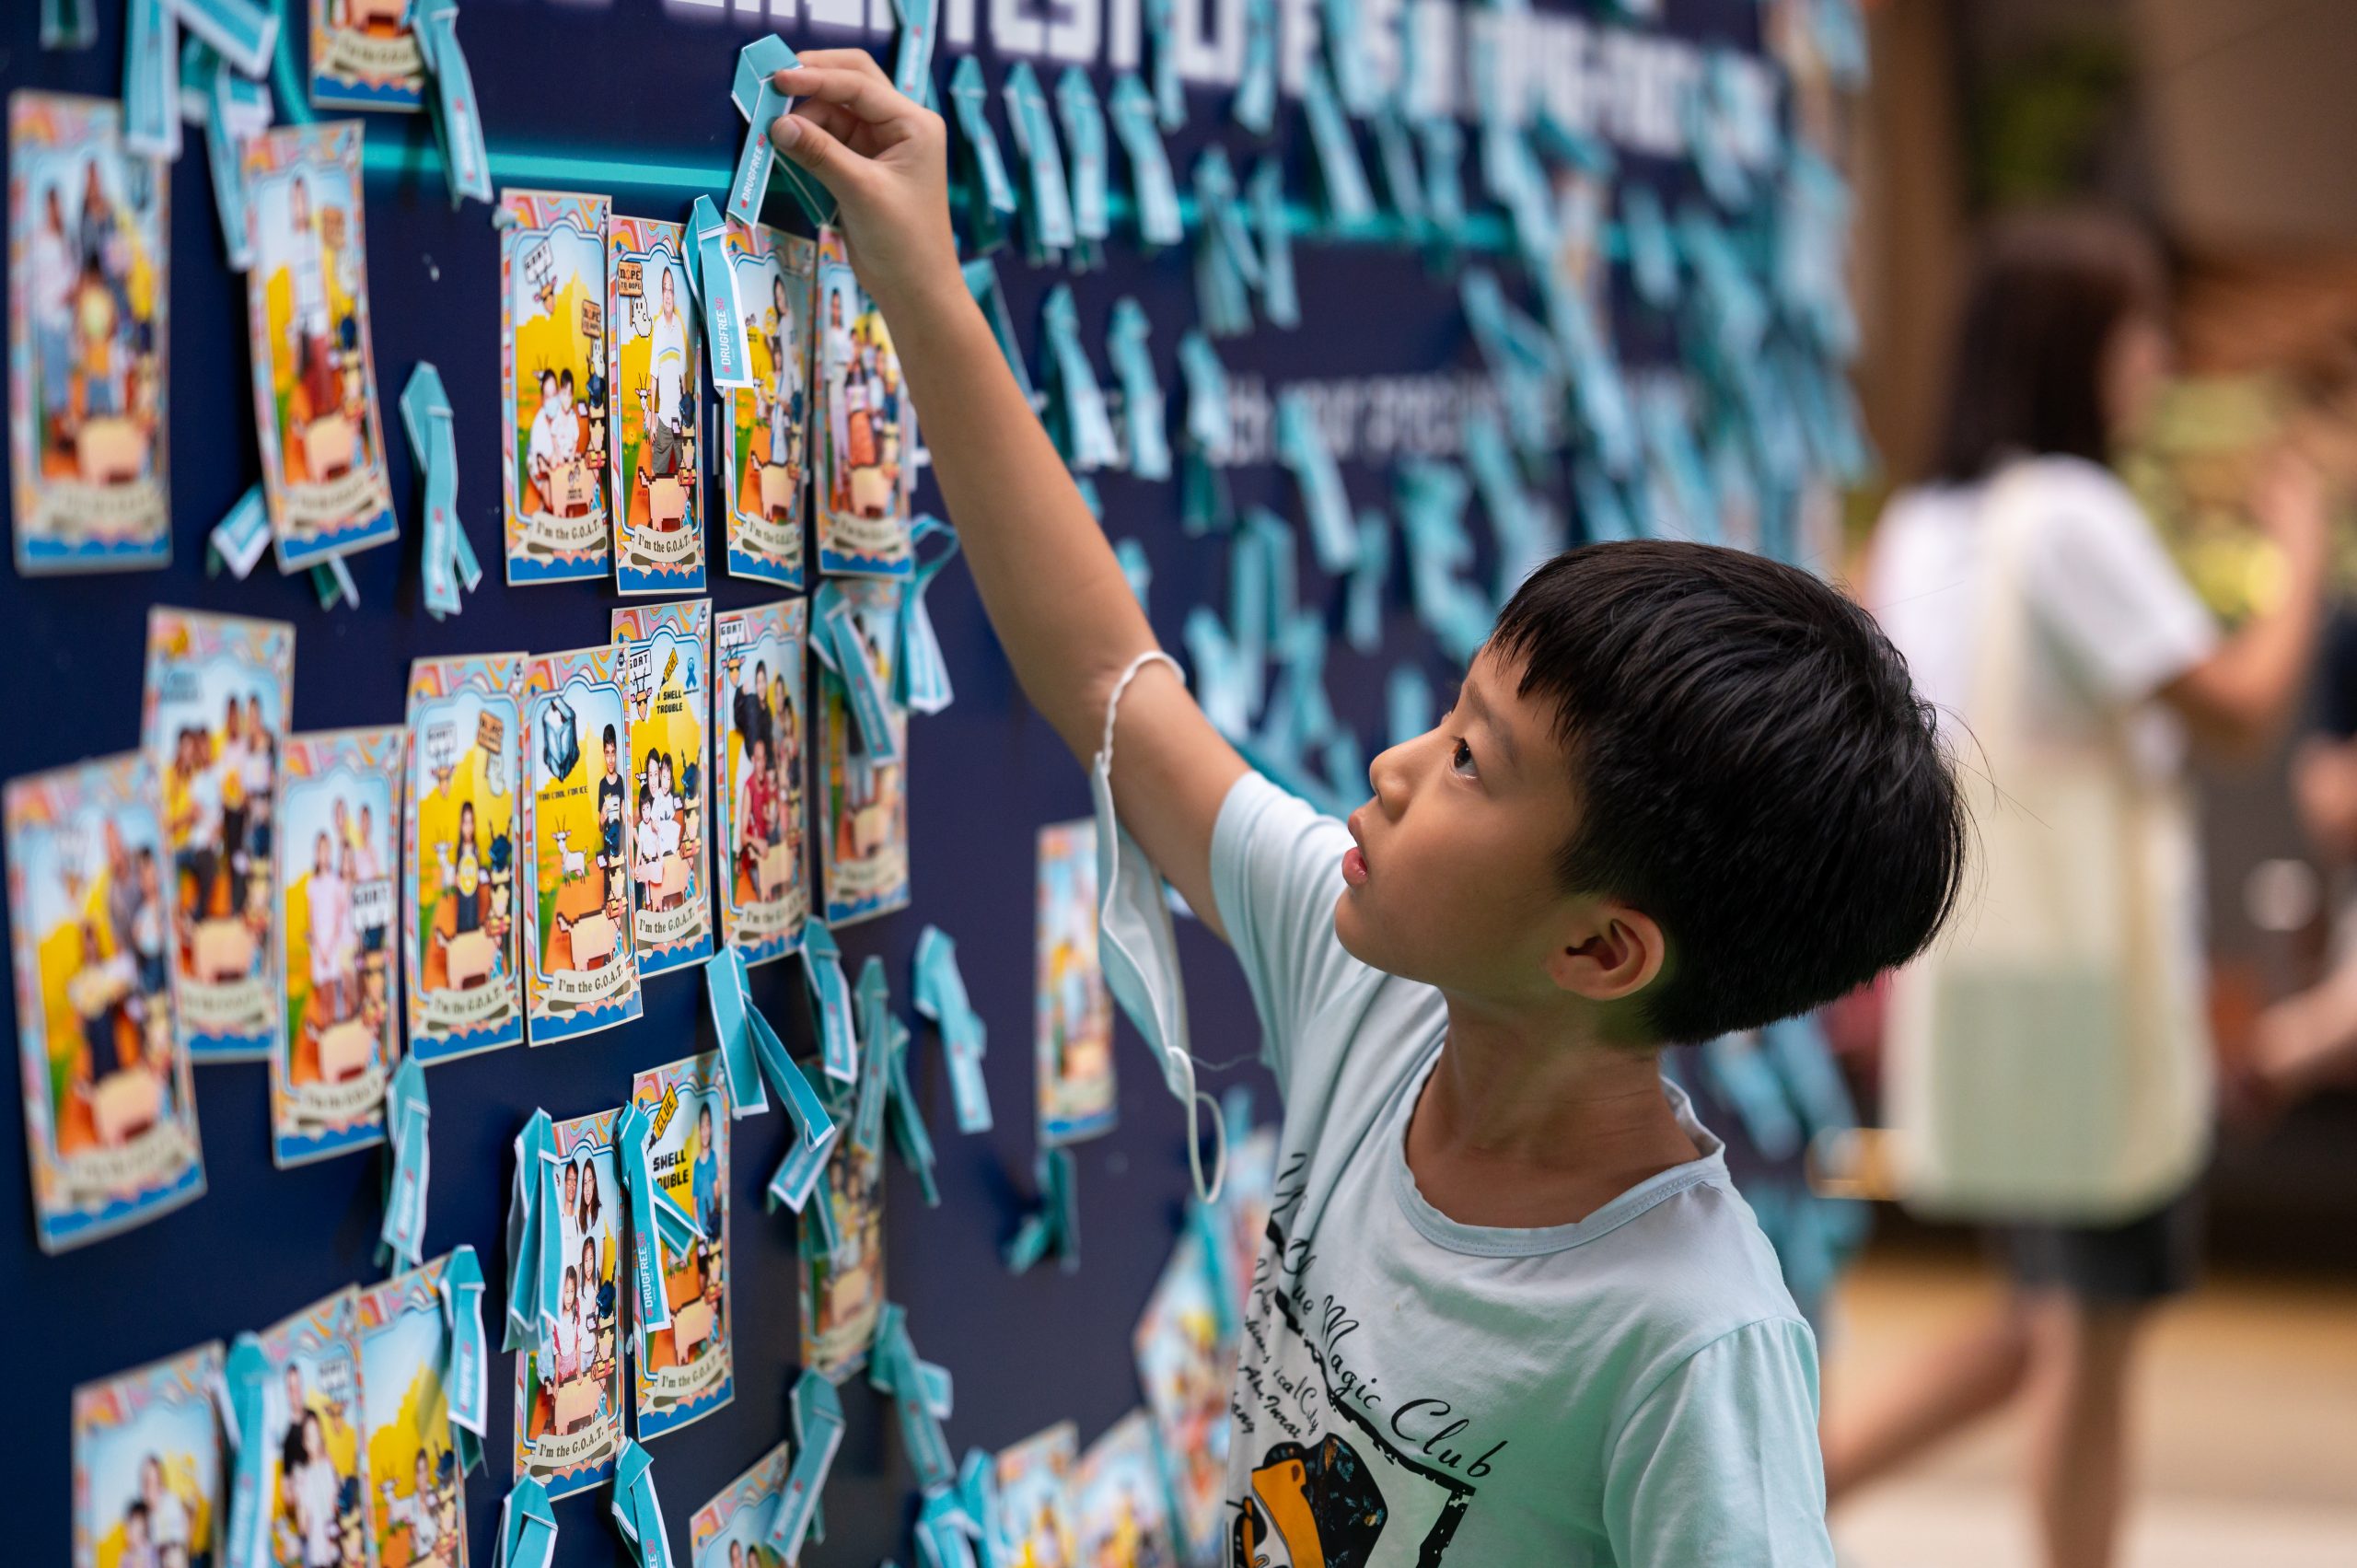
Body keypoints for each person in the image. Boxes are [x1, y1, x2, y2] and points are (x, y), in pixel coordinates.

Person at [762, 55, 1969, 1564]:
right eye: (1450, 720)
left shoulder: (1690, 1341)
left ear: (1601, 949)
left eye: (1472, 762)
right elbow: (1115, 688)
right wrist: (922, 278)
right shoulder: (1381, 989)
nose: (1395, 769)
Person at [1840, 211, 2328, 1568]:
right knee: (2091, 1340)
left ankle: (1781, 1495)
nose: (2158, 364)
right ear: (2081, 347)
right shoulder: (2070, 512)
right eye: (2141, 333)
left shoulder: (1925, 524)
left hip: (1980, 971)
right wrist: (2297, 546)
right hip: (2090, 992)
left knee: (2041, 1317)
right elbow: (2234, 706)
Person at [32, 185, 75, 451]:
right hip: (46, 315)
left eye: (58, 203)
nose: (55, 209)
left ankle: (64, 436)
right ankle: (51, 437)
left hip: (63, 318)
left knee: (63, 376)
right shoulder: (37, 239)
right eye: (51, 204)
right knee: (51, 380)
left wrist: (70, 291)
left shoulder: (65, 237)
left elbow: (71, 272)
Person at [646, 266, 689, 484]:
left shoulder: (680, 327)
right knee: (659, 478)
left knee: (686, 473)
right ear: (661, 294)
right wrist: (653, 420)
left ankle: (686, 517)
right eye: (665, 288)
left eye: (671, 289)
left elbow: (684, 376)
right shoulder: (658, 328)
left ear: (674, 295)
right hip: (663, 419)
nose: (668, 294)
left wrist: (688, 415)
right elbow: (653, 378)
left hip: (680, 419)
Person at [289, 1410, 342, 1568]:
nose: (316, 1439)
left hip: (336, 1549)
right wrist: (298, 1502)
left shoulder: (329, 1466)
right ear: (305, 1443)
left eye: (318, 1432)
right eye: (311, 1436)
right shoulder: (303, 1477)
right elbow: (303, 1527)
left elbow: (338, 1506)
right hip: (318, 1556)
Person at [137, 1454, 190, 1563]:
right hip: (153, 1559)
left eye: (155, 1481)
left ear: (160, 1481)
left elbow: (179, 1540)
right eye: (147, 1482)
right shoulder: (142, 1512)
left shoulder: (171, 1502)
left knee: (174, 1556)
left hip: (172, 1555)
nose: (151, 1488)